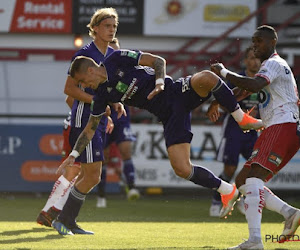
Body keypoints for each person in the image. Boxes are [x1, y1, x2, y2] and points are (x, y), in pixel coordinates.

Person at [56, 46, 264, 235]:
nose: (84, 86)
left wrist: (159, 84)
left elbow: (158, 61)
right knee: (182, 168)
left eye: (82, 81)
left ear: (90, 70)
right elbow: (90, 129)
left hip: (176, 93)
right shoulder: (101, 94)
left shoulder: (117, 58)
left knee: (208, 78)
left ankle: (241, 119)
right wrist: (73, 155)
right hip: (170, 116)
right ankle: (227, 190)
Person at [211, 25, 300, 250]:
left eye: (258, 41)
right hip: (280, 127)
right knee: (242, 181)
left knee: (253, 180)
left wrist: (223, 72)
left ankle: (255, 241)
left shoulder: (274, 63)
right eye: (253, 41)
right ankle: (290, 213)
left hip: (282, 125)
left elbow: (253, 84)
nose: (254, 45)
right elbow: (244, 92)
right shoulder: (269, 68)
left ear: (272, 42)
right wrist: (220, 99)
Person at [48, 8, 120, 236]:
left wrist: (115, 105)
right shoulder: (84, 54)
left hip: (97, 118)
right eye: (107, 26)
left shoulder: (111, 54)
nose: (111, 30)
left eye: (114, 27)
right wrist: (97, 102)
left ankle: (65, 219)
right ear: (95, 28)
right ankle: (62, 219)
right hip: (83, 118)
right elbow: (69, 90)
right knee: (91, 175)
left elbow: (109, 89)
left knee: (90, 175)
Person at [209, 47, 261, 217]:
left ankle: (243, 198)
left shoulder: (264, 80)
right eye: (251, 58)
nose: (255, 62)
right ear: (245, 61)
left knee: (255, 168)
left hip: (253, 131)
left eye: (257, 58)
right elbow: (224, 99)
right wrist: (238, 112)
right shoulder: (236, 78)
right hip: (234, 128)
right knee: (230, 169)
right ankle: (217, 201)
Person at [96, 38, 140, 208]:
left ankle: (132, 187)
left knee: (126, 149)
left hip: (122, 115)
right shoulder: (99, 69)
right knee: (104, 157)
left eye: (116, 51)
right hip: (104, 114)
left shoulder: (127, 68)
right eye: (110, 51)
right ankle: (101, 195)